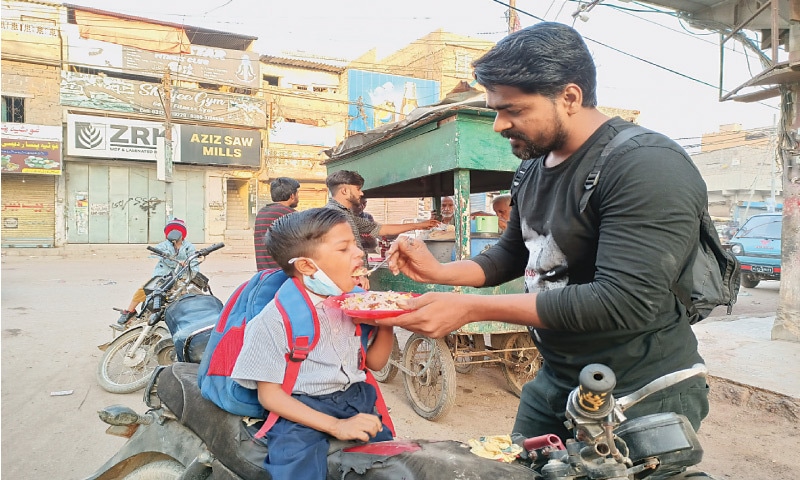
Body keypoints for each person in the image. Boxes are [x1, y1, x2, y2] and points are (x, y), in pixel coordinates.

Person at [382, 22, 710, 453]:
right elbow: (513, 255)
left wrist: (470, 308)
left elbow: (624, 300)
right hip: (556, 378)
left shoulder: (646, 166)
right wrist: (440, 271)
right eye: (496, 109)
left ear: (569, 97)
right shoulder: (532, 168)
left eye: (513, 109)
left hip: (640, 388)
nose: (499, 125)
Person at [231, 208, 394, 478]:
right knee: (296, 469)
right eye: (344, 249)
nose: (359, 253)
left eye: (355, 244)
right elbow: (269, 396)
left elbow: (375, 363)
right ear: (307, 266)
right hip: (302, 410)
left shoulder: (354, 303)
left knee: (395, 461)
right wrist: (336, 427)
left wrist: (387, 318)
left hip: (356, 399)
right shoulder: (274, 321)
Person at [324, 170, 439, 270]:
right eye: (358, 189)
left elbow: (380, 229)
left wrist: (419, 225)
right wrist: (356, 275)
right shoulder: (333, 216)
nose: (361, 193)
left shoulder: (347, 216)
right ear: (344, 191)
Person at [115, 218, 197, 329]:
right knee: (144, 290)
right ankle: (130, 311)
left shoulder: (189, 247)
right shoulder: (164, 246)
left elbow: (195, 263)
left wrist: (189, 268)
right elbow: (158, 253)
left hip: (181, 277)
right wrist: (171, 257)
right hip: (162, 276)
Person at [254, 177, 300, 270]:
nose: (298, 197)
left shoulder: (262, 212)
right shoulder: (290, 214)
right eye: (297, 193)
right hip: (283, 275)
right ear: (292, 195)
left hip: (264, 274)